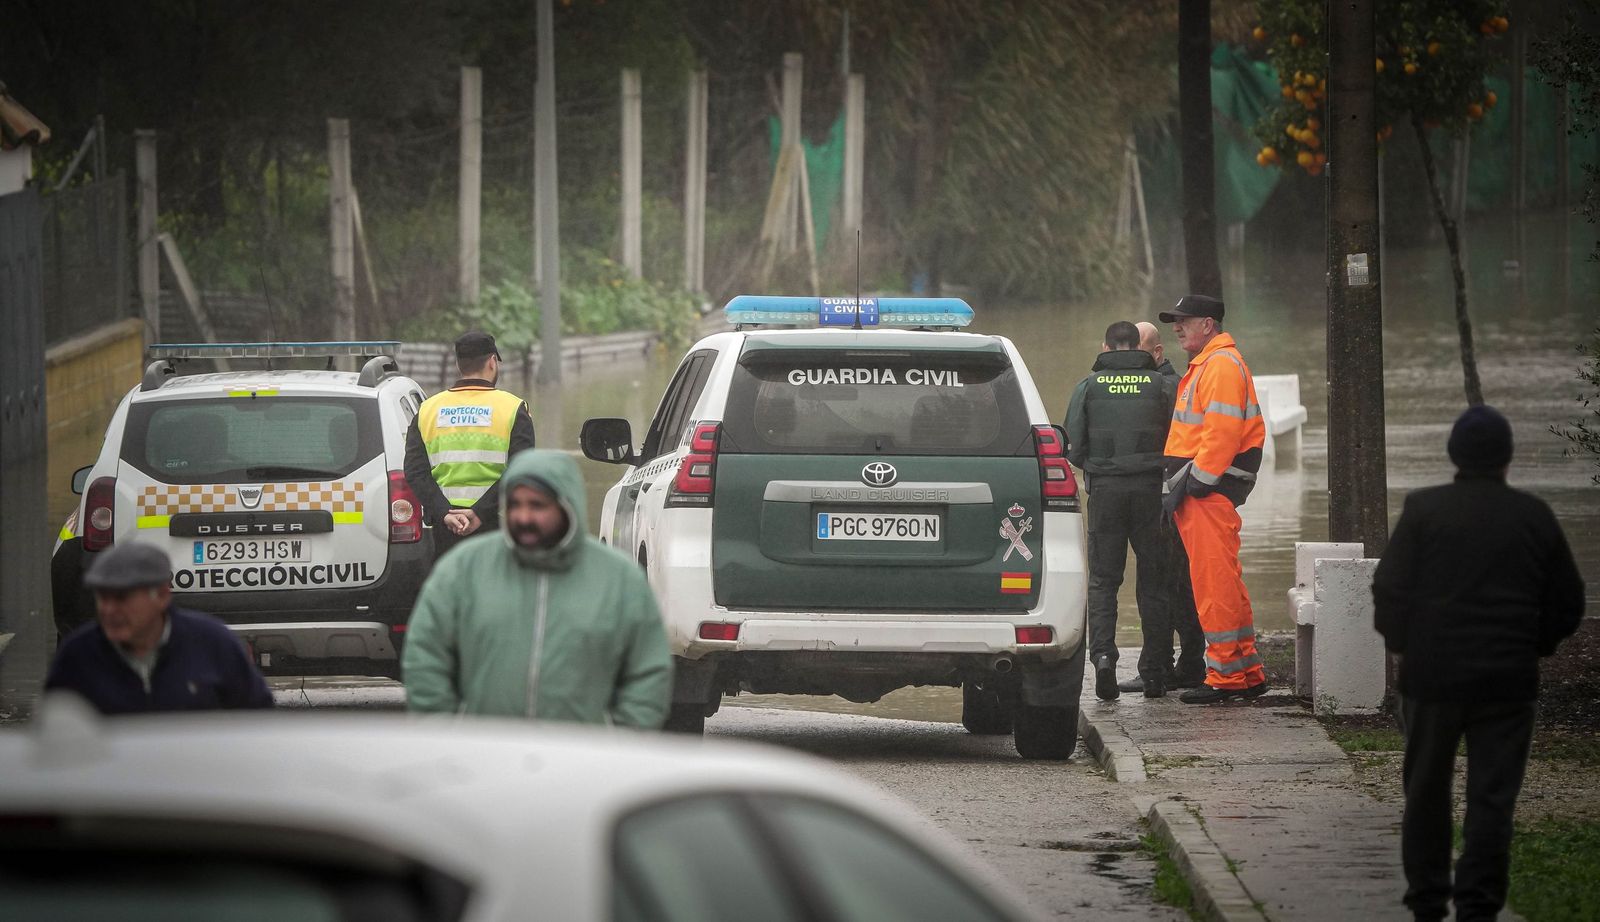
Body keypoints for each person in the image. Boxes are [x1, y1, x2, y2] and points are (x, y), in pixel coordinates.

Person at [1373, 405, 1584, 922]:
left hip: (1432, 677)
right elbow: (1568, 601)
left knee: (1425, 790)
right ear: (1508, 457)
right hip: (1507, 682)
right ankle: (1479, 905)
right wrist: (1535, 645)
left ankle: (1426, 900)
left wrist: (1404, 644)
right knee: (1493, 796)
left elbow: (1389, 589)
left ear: (1453, 455)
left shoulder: (1424, 510)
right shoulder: (1533, 515)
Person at [403, 449, 673, 728]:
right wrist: (446, 731)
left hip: (580, 762)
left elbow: (648, 670)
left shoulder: (618, 579)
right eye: (515, 504)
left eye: (537, 505)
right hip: (485, 758)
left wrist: (618, 743)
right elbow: (425, 655)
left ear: (566, 505)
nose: (523, 517)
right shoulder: (463, 570)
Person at [1158, 294, 1268, 704]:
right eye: (1175, 321)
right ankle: (1245, 670)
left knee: (1213, 582)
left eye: (1184, 320)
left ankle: (1223, 676)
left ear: (1208, 324)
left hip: (1205, 492)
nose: (1177, 327)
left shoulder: (1219, 365)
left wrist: (1198, 483)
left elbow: (1221, 434)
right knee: (1225, 579)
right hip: (1205, 490)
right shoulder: (1212, 364)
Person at [1065, 321, 1176, 700]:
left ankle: (1104, 661)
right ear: (1141, 348)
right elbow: (1182, 438)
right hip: (1153, 492)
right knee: (1155, 583)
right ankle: (1156, 672)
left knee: (1103, 581)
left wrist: (1100, 467)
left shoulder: (1088, 387)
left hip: (1106, 494)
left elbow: (1073, 447)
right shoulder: (1163, 387)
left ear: (1106, 346)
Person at [45, 543, 273, 713]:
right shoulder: (78, 656)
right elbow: (54, 742)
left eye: (122, 598)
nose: (109, 610)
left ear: (162, 595)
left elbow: (257, 724)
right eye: (102, 598)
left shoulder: (213, 644)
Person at [1114, 321, 1206, 696]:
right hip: (1169, 494)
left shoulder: (1167, 387)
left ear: (1156, 353)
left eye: (1138, 350)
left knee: (1164, 582)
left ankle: (1163, 665)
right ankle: (1183, 663)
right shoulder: (1170, 384)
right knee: (1175, 581)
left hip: (1168, 495)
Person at [405, 331, 536, 560]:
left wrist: (444, 513)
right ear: (492, 362)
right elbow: (522, 472)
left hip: (445, 529)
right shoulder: (514, 409)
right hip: (496, 525)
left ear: (458, 364)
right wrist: (479, 513)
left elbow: (416, 472)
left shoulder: (427, 410)